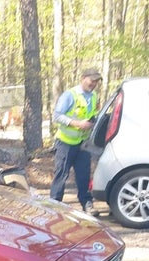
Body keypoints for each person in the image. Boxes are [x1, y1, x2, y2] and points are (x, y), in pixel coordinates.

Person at [50, 67, 102, 216]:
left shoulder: (93, 97)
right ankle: (55, 205)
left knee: (84, 175)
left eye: (96, 81)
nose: (94, 84)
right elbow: (57, 116)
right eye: (92, 80)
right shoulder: (70, 95)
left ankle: (87, 204)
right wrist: (77, 124)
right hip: (65, 143)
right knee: (61, 174)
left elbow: (93, 115)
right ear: (83, 78)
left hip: (83, 143)